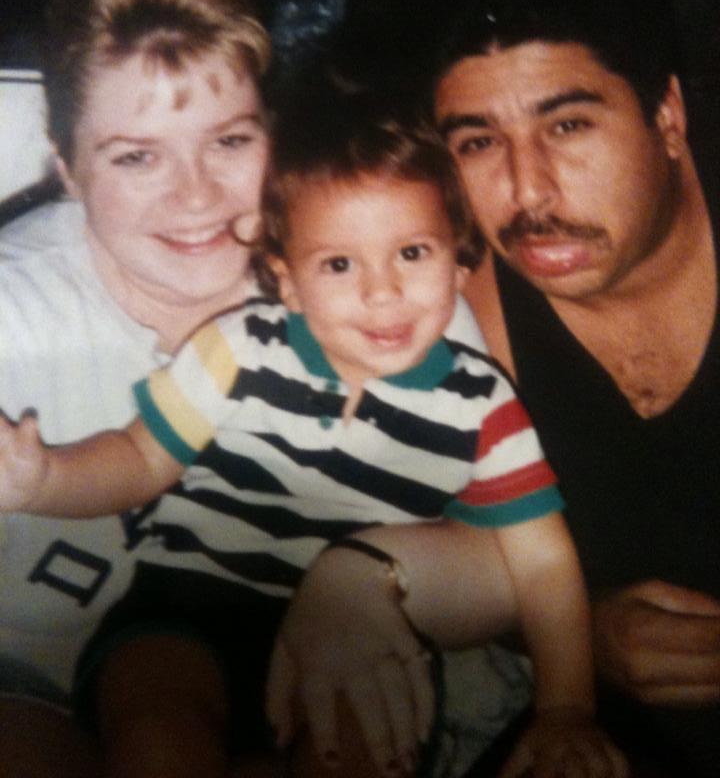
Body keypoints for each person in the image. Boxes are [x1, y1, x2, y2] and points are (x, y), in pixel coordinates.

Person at [0, 90, 627, 778]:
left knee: (365, 751)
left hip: (361, 639)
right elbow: (138, 458)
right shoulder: (240, 348)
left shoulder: (482, 404)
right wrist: (45, 479)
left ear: (459, 263)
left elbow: (541, 563)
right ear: (288, 281)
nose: (381, 292)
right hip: (189, 609)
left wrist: (566, 709)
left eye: (411, 252)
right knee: (158, 738)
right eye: (338, 264)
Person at [277, 0, 718, 777]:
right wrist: (362, 580)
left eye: (568, 125)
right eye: (479, 142)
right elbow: (494, 548)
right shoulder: (449, 299)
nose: (529, 190)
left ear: (668, 116)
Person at [0, 0, 272, 776]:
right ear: (66, 164)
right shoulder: (15, 312)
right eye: (136, 157)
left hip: (249, 675)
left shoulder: (355, 281)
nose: (197, 196)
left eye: (229, 141)